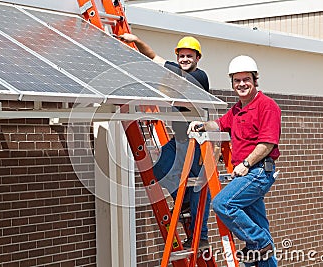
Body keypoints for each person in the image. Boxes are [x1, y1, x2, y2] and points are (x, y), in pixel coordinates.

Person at [118, 33, 211, 248]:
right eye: (181, 55)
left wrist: (168, 90)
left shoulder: (200, 76)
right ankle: (184, 201)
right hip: (179, 140)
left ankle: (201, 236)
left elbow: (190, 95)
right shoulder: (175, 71)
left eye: (190, 55)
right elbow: (153, 57)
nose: (185, 59)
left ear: (198, 58)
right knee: (159, 170)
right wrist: (136, 39)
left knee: (199, 188)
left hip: (197, 142)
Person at [188, 55, 280, 266]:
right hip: (247, 174)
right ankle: (260, 246)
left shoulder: (267, 106)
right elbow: (219, 125)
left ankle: (260, 242)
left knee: (223, 203)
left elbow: (267, 144)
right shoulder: (237, 109)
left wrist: (246, 163)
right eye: (237, 81)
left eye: (246, 79)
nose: (242, 84)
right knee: (258, 224)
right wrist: (201, 125)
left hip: (257, 172)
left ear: (255, 80)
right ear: (232, 83)